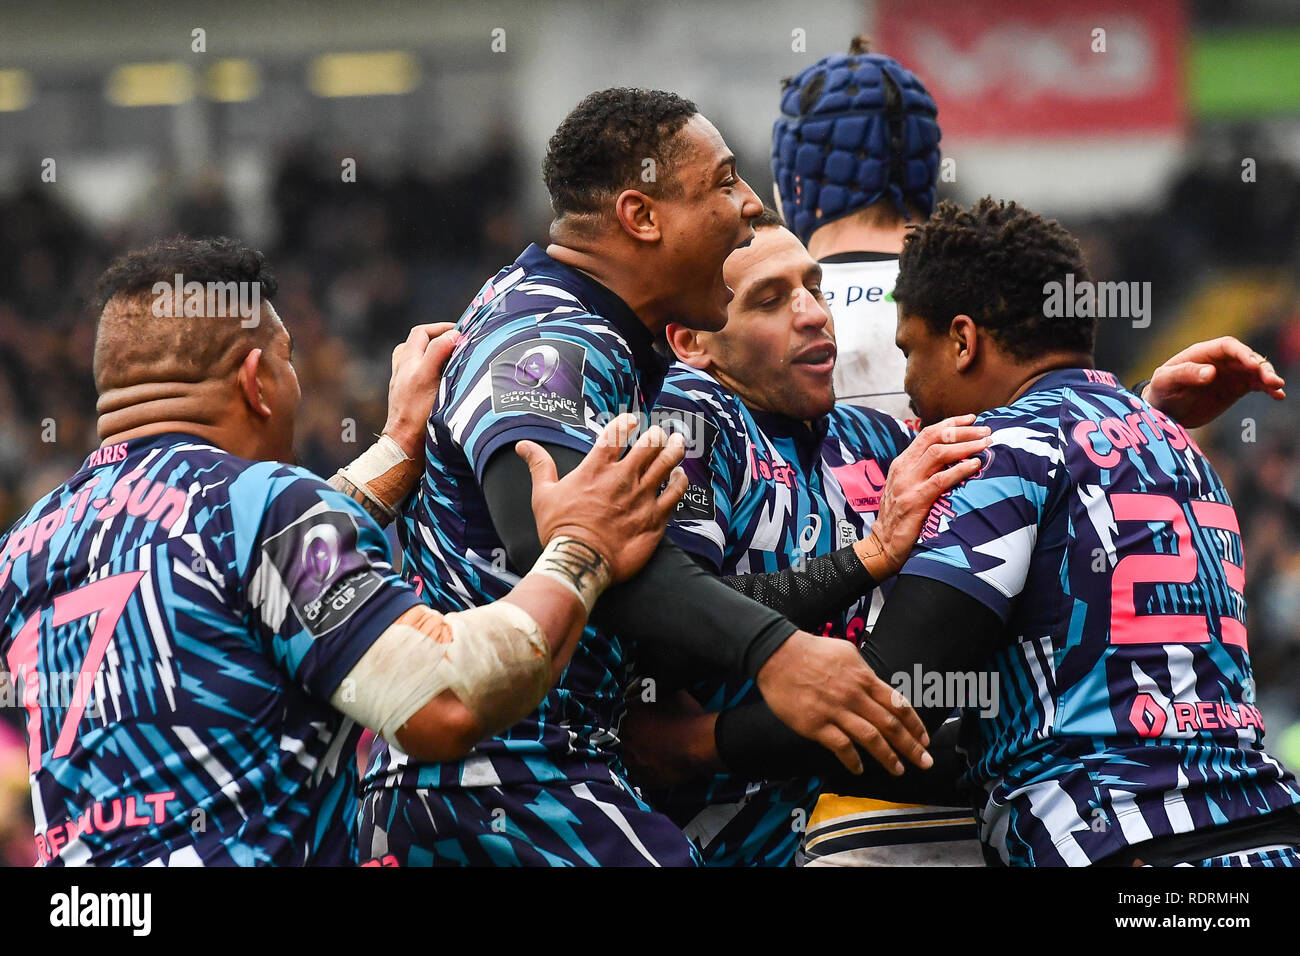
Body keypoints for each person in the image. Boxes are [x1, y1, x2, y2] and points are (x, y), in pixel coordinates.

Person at [358, 88, 933, 867]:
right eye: (725, 182)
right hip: (503, 776)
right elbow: (550, 528)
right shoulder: (549, 337)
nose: (748, 203)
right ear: (642, 215)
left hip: (536, 769)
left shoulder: (604, 335)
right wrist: (777, 651)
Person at [0, 235, 688, 866]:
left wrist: (393, 450)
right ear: (255, 381)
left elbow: (232, 578)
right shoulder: (262, 505)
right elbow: (442, 702)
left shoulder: (27, 545)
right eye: (289, 361)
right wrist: (580, 550)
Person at [703, 198, 1300, 866]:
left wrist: (694, 743)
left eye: (910, 352)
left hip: (1119, 843)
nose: (910, 389)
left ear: (963, 341)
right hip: (1264, 832)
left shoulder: (1004, 453)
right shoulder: (1180, 444)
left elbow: (891, 704)